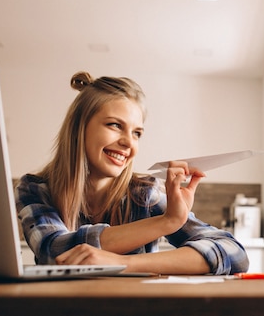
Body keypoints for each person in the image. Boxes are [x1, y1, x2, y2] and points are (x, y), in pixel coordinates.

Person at [15, 72, 249, 275]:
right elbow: (54, 250)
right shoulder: (35, 189)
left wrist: (124, 263)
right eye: (115, 125)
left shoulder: (143, 194)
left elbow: (234, 254)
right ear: (79, 128)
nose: (129, 142)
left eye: (137, 133)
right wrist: (166, 222)